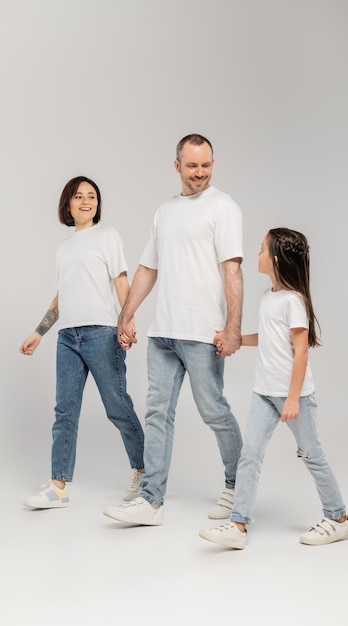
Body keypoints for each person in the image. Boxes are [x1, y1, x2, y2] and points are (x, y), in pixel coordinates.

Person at [102, 133, 244, 526]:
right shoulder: (164, 211)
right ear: (177, 165)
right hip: (164, 331)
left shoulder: (224, 208)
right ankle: (151, 500)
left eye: (206, 165)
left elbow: (233, 270)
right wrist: (126, 314)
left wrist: (233, 328)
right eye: (193, 165)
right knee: (157, 413)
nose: (200, 173)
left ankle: (238, 486)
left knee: (213, 410)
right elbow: (149, 268)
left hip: (203, 332)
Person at [199, 227, 348, 549]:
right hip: (264, 393)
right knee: (249, 455)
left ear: (277, 259)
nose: (257, 254)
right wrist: (234, 339)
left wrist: (293, 398)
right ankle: (238, 526)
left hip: (295, 396)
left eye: (262, 249)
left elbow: (301, 351)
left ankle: (338, 519)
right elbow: (269, 339)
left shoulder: (294, 302)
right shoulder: (269, 297)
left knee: (312, 455)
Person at [20, 176, 145, 509]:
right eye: (79, 196)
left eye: (92, 196)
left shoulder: (108, 236)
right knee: (65, 411)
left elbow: (121, 281)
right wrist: (39, 331)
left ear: (98, 204)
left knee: (117, 407)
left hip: (103, 334)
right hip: (68, 338)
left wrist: (128, 322)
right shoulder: (64, 248)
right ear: (68, 204)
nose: (86, 201)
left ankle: (145, 470)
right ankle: (58, 486)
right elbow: (64, 295)